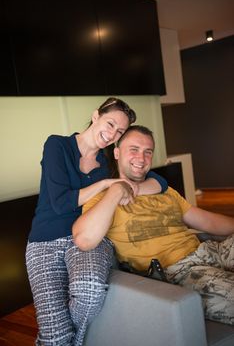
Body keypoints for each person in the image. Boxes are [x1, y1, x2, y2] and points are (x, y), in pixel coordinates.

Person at [26, 99, 168, 346]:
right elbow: (61, 202)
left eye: (120, 131)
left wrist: (132, 186)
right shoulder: (57, 145)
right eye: (110, 123)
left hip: (88, 238)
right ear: (96, 116)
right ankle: (56, 338)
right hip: (44, 242)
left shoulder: (109, 161)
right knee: (54, 335)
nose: (112, 134)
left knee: (90, 295)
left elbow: (158, 181)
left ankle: (63, 337)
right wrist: (105, 184)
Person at [73, 125, 234, 326]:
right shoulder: (102, 198)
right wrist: (115, 191)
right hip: (180, 272)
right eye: (134, 149)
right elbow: (84, 239)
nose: (141, 158)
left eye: (147, 152)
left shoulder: (164, 190)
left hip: (210, 250)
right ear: (116, 152)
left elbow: (207, 221)